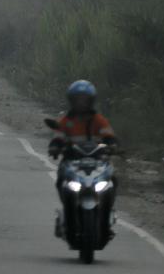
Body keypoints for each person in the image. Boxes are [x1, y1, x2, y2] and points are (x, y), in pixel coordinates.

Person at [49, 80, 119, 241]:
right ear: (72, 100)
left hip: (97, 163)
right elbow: (57, 138)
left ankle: (106, 217)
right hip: (72, 163)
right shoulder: (66, 121)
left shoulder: (99, 120)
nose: (81, 102)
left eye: (84, 99)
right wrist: (55, 147)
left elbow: (109, 136)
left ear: (91, 100)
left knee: (112, 181)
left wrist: (113, 145)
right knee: (61, 182)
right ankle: (68, 214)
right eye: (77, 99)